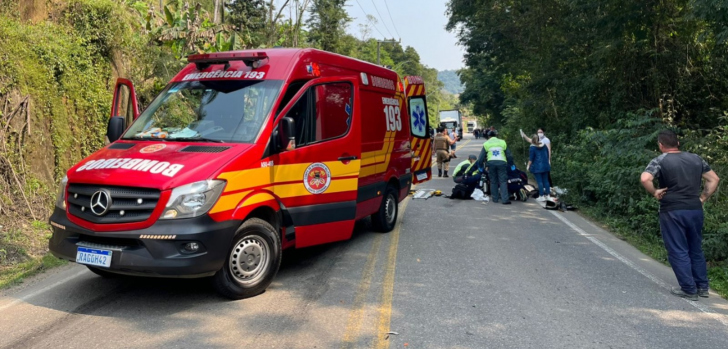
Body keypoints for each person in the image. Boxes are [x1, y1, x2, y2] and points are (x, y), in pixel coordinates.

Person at [640, 130, 720, 301]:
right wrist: (702, 198)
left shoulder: (660, 160)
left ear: (661, 145)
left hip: (672, 210)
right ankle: (702, 287)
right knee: (695, 248)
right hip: (694, 209)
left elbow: (645, 178)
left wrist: (655, 191)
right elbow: (714, 179)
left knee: (678, 249)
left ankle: (689, 289)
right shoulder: (696, 159)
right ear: (677, 143)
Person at [477, 130, 510, 204]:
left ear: (489, 136)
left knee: (493, 181)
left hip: (491, 163)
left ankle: (495, 199)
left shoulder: (486, 143)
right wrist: (511, 164)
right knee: (503, 181)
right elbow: (509, 155)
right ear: (496, 135)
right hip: (502, 163)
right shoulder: (502, 142)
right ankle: (505, 199)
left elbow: (481, 158)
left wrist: (480, 166)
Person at [526, 135, 551, 201]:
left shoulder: (532, 148)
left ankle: (541, 195)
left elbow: (531, 159)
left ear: (532, 140)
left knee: (539, 181)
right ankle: (548, 195)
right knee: (546, 181)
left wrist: (528, 166)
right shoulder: (544, 146)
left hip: (537, 167)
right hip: (545, 166)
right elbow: (547, 155)